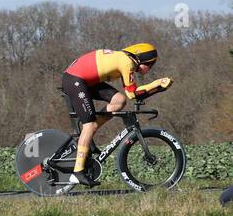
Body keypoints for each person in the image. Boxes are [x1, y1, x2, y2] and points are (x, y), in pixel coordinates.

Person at [62, 43, 171, 186]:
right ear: (141, 59)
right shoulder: (126, 62)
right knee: (90, 126)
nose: (149, 69)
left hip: (86, 80)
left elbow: (129, 94)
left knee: (119, 100)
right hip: (75, 79)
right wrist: (157, 84)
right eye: (150, 65)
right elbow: (133, 93)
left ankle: (87, 134)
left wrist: (156, 88)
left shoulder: (124, 59)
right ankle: (78, 172)